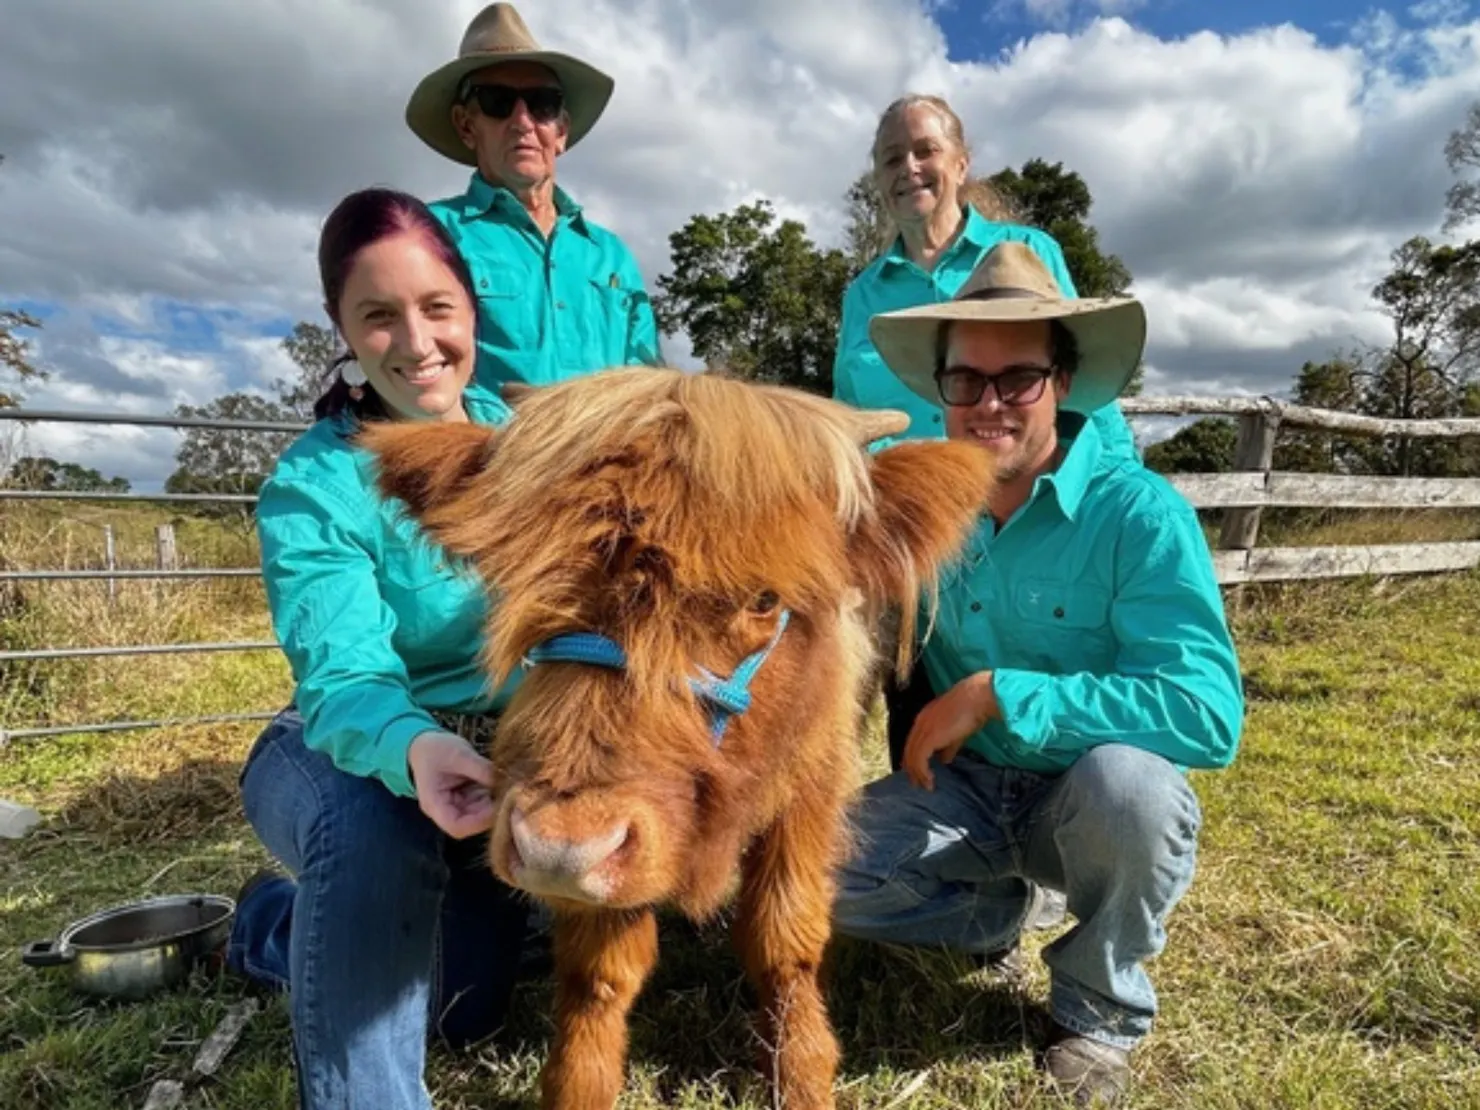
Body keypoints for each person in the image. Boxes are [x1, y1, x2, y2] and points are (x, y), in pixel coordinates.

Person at [831, 242, 1244, 1106]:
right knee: (807, 873)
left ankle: (1096, 1010)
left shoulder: (1140, 514)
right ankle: (998, 914)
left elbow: (1207, 713)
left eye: (1017, 379)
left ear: (1061, 382)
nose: (989, 405)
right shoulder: (916, 516)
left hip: (1082, 796)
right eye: (965, 381)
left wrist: (997, 694)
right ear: (938, 386)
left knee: (1134, 791)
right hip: (967, 791)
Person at [226, 187, 533, 1110]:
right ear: (343, 331)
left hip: (490, 759)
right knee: (373, 828)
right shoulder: (316, 483)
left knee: (464, 1005)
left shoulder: (533, 445)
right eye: (379, 317)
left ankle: (273, 929)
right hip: (347, 745)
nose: (417, 341)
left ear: (469, 308)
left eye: (437, 308)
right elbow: (346, 678)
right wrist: (416, 747)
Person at [833, 93, 1137, 455]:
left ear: (961, 165)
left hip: (1020, 503)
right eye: (892, 158)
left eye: (926, 150)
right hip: (904, 505)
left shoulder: (1027, 251)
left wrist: (1124, 475)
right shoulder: (862, 294)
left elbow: (1088, 380)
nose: (908, 167)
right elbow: (846, 418)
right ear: (879, 179)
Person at [405, 2, 662, 389]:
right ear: (465, 125)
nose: (523, 122)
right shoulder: (426, 235)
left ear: (560, 131)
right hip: (485, 450)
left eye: (543, 103)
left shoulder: (612, 254)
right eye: (497, 101)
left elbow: (649, 383)